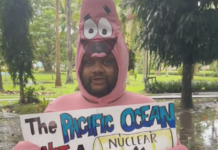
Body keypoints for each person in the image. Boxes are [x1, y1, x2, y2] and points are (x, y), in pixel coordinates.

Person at [13, 0, 188, 149]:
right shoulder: (57, 111)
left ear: (121, 63)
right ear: (79, 65)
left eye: (107, 61)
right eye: (89, 62)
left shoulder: (149, 112)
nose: (97, 69)